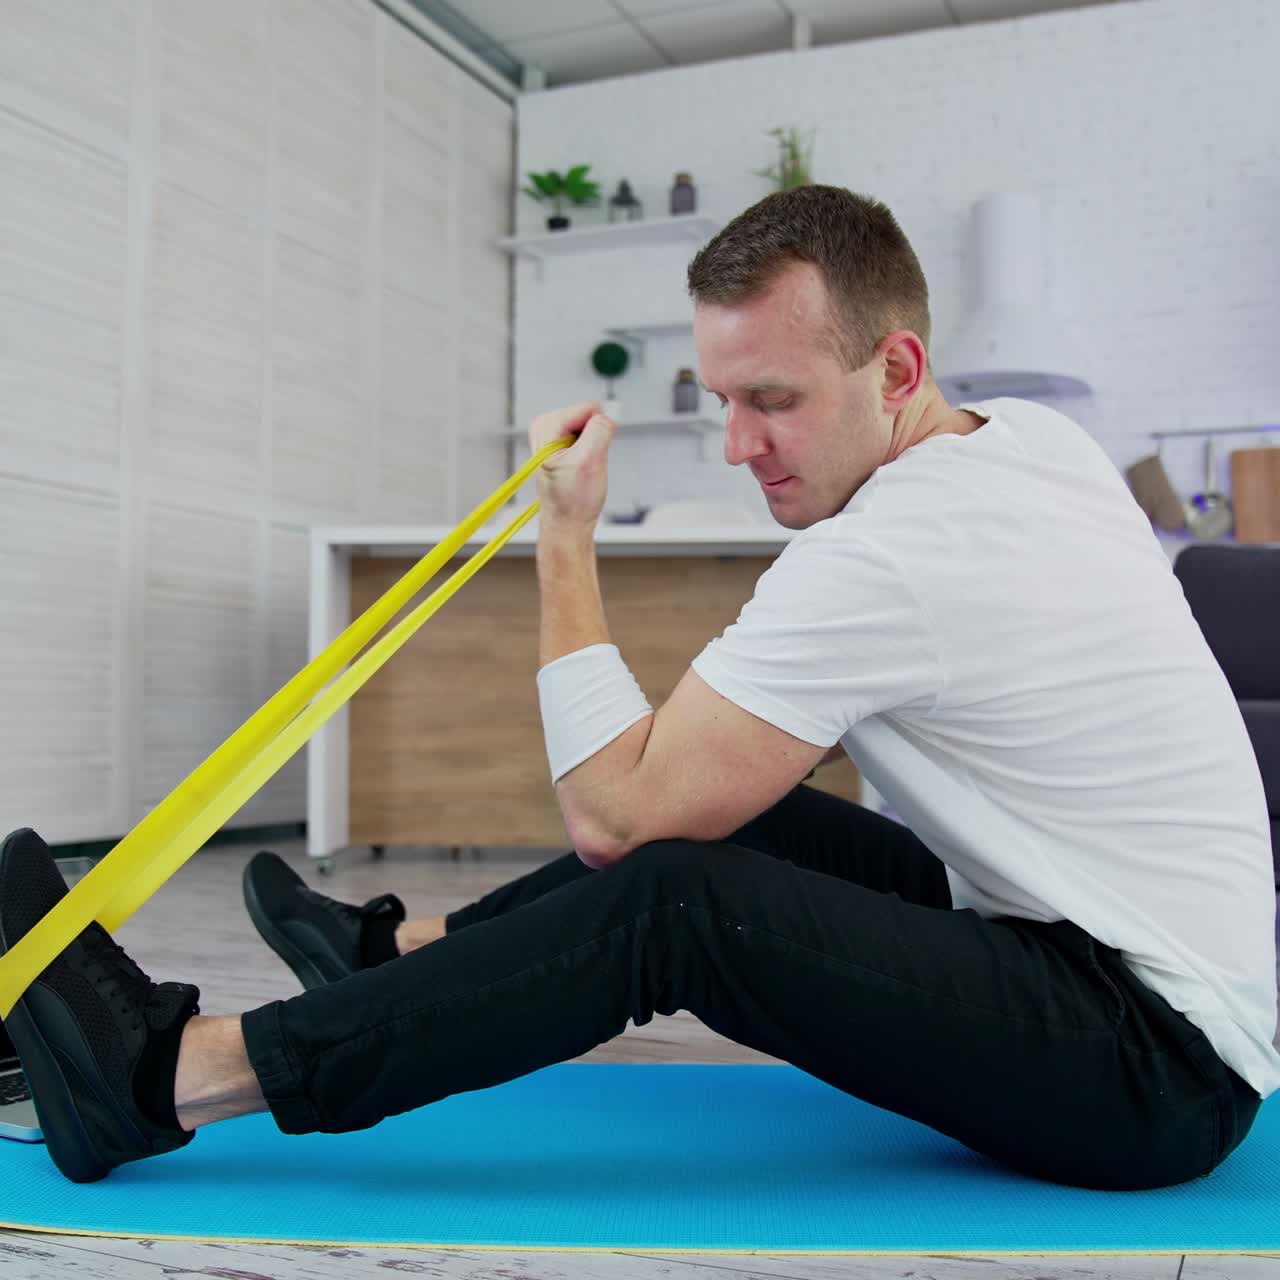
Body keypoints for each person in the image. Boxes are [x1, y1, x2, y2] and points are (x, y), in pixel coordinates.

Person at [1, 185, 1274, 1190]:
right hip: (1065, 935)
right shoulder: (1023, 441)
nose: (737, 445)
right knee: (749, 818)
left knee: (673, 893)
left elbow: (614, 817)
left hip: (1152, 1063)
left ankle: (168, 1076)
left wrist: (565, 539)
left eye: (771, 400)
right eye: (723, 399)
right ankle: (386, 955)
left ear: (894, 369)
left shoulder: (890, 550)